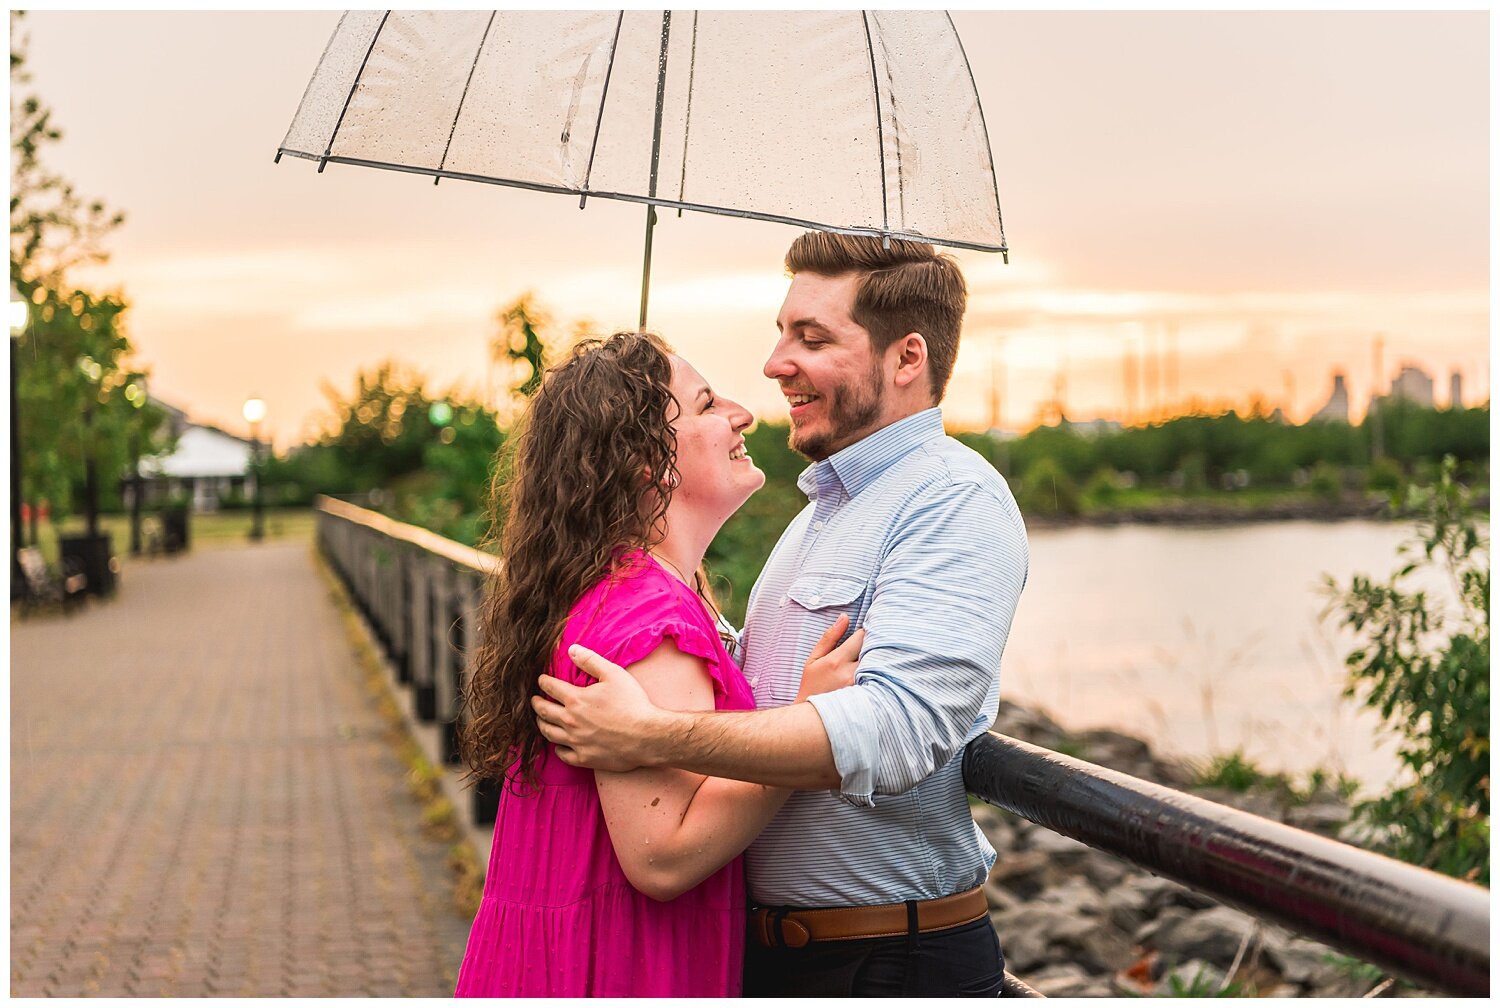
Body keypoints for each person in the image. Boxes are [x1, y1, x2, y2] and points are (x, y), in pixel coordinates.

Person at [533, 232, 1030, 996]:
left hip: (886, 963)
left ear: (907, 358)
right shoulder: (818, 514)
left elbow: (901, 728)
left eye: (812, 337)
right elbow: (768, 702)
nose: (774, 364)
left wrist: (646, 734)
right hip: (769, 957)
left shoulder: (951, 499)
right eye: (781, 332)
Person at [453, 331, 863, 997]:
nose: (741, 413)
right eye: (706, 405)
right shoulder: (651, 619)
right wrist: (805, 726)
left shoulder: (622, 588)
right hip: (623, 969)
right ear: (651, 462)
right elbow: (663, 855)